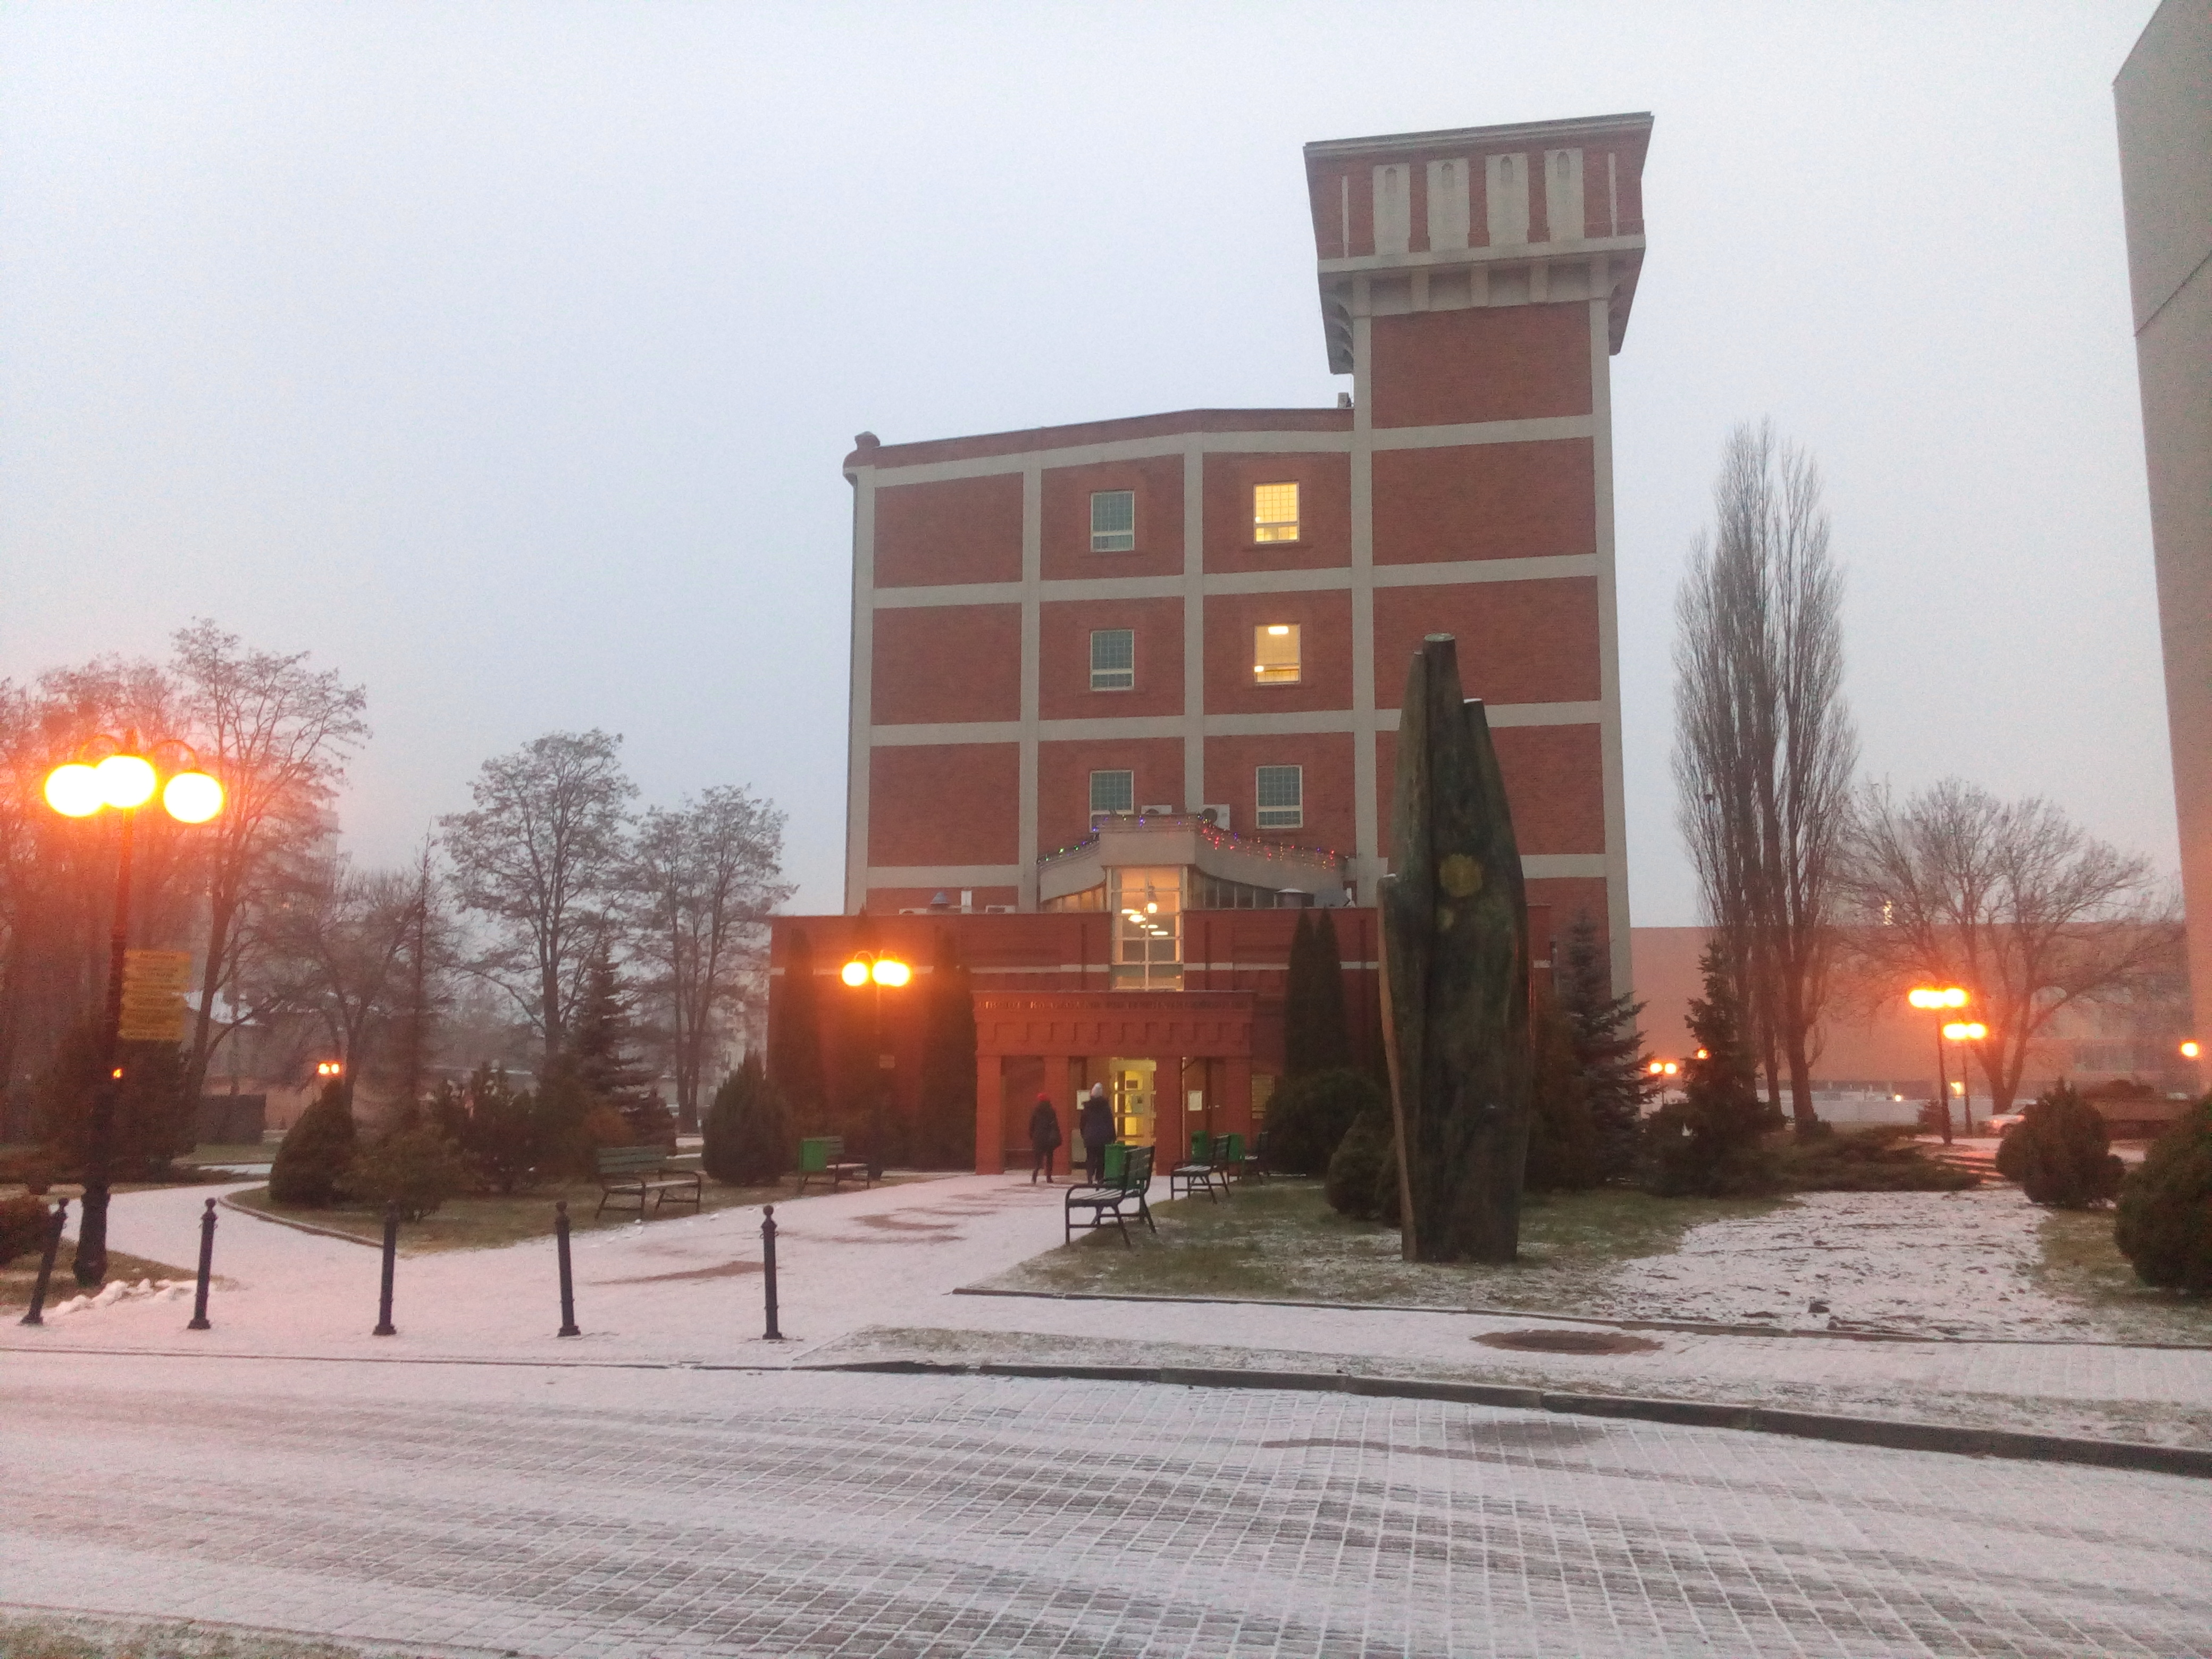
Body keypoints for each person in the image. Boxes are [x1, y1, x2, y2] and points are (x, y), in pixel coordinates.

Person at [1078, 1082, 1115, 1185]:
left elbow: (1082, 1123)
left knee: (1090, 1157)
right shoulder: (1105, 1107)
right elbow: (1110, 1122)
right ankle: (1100, 1178)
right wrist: (1112, 1136)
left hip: (1090, 1137)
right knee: (1101, 1158)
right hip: (1103, 1137)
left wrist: (1084, 1134)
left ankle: (1090, 1176)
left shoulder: (1087, 1107)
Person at [1027, 1094, 1062, 1184]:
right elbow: (1055, 1125)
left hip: (1038, 1137)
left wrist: (1032, 1136)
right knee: (1049, 1158)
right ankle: (1049, 1177)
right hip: (1049, 1138)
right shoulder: (1051, 1111)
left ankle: (1035, 1176)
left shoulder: (1036, 1111)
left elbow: (1031, 1125)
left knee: (1038, 1158)